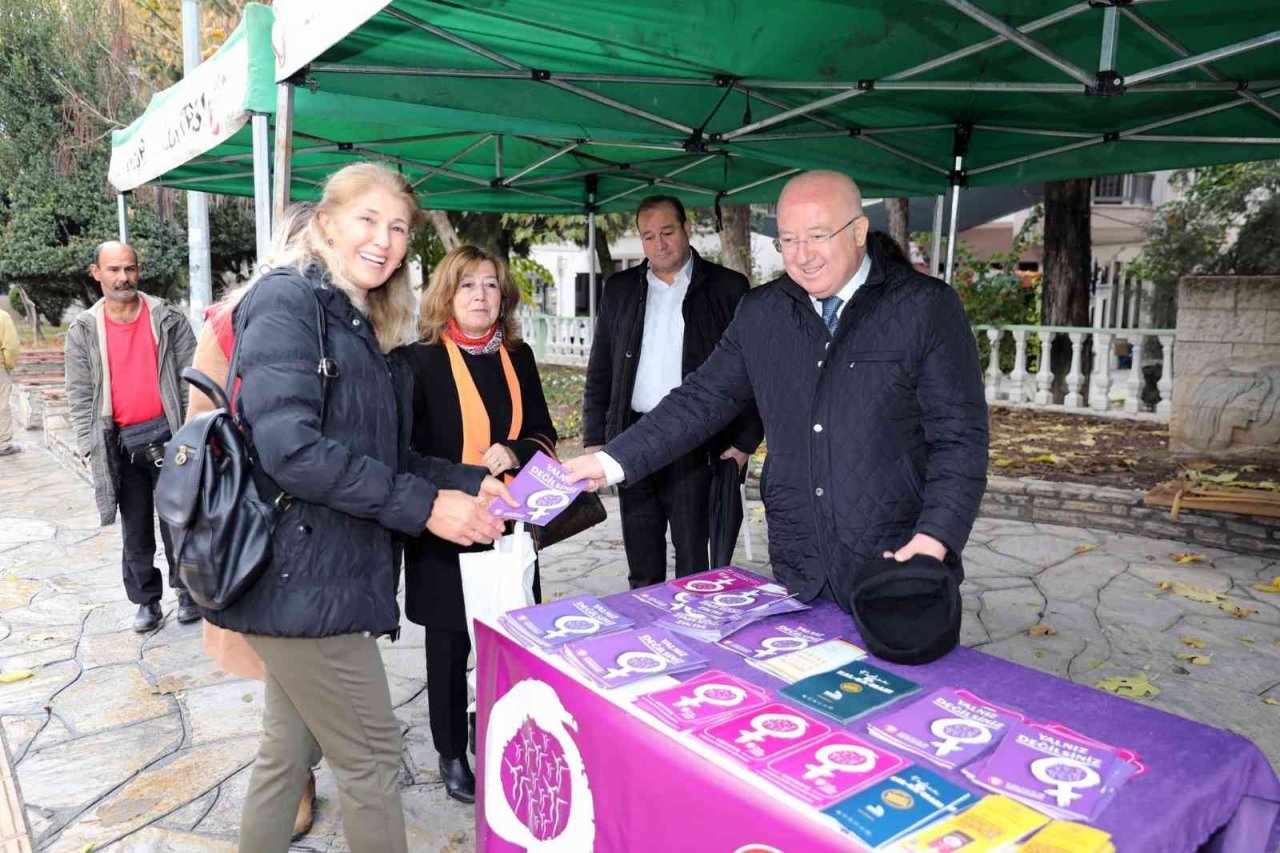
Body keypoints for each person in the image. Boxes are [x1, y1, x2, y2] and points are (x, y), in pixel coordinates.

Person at [204, 162, 513, 853]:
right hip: (303, 581)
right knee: (373, 761)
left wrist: (466, 482)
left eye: (399, 226)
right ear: (325, 223)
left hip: (320, 579)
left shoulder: (350, 316)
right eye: (367, 220)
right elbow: (292, 449)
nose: (385, 239)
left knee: (285, 758)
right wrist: (427, 507)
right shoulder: (287, 302)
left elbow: (386, 456)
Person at [566, 170, 988, 611]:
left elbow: (960, 439)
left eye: (818, 236)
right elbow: (701, 399)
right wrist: (611, 460)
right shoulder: (761, 313)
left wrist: (935, 538)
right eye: (788, 240)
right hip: (800, 566)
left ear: (859, 231)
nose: (803, 256)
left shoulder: (926, 307)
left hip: (898, 560)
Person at [396, 244, 558, 804]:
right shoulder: (417, 361)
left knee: (507, 636)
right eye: (468, 285)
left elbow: (543, 435)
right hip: (445, 524)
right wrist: (468, 477)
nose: (480, 296)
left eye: (490, 285)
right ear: (446, 293)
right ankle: (449, 753)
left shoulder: (520, 355)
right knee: (448, 646)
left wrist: (513, 452)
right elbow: (405, 455)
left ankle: (490, 729)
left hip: (509, 526)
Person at [184, 202, 318, 840]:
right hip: (263, 523)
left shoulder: (341, 318)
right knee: (283, 672)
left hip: (326, 525)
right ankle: (294, 781)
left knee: (311, 666)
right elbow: (202, 427)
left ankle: (302, 766)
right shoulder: (234, 321)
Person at [582, 195, 762, 589]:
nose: (659, 244)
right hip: (632, 438)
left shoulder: (728, 288)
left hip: (698, 444)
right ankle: (649, 640)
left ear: (686, 229)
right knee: (642, 562)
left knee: (695, 561)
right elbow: (601, 368)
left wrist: (745, 440)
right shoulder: (620, 288)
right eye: (648, 236)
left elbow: (752, 370)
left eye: (667, 232)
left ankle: (694, 639)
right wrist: (596, 438)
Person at [65, 242, 198, 632]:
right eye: (113, 270)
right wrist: (90, 446)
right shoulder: (84, 330)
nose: (123, 277)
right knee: (135, 527)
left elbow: (189, 376)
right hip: (120, 444)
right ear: (96, 273)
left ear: (138, 271)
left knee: (180, 520)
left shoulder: (167, 318)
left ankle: (187, 592)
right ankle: (146, 601)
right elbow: (80, 393)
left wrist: (193, 431)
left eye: (129, 269)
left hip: (171, 437)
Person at [0, 305, 20, 457]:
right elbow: (11, 347)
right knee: (2, 405)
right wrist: (8, 364)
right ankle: (4, 444)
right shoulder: (3, 317)